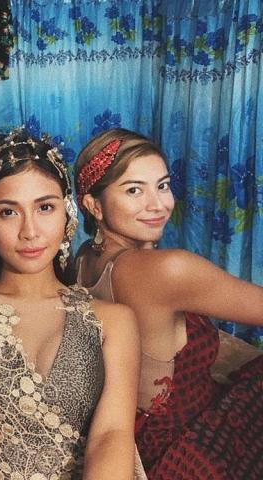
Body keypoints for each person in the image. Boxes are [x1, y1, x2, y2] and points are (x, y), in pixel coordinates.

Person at [0, 129, 140, 479]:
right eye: (8, 212)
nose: (30, 231)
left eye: (45, 207)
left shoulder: (114, 322)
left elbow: (112, 436)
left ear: (68, 213)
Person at [74, 127, 263, 479]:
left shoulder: (86, 258)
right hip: (186, 452)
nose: (158, 204)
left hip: (138, 444)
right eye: (134, 190)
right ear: (93, 205)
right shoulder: (166, 270)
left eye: (162, 186)